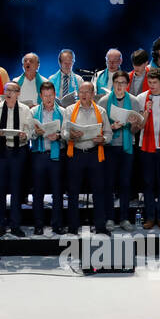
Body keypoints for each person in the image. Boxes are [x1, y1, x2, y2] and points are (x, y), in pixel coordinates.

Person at [0, 81, 31, 237]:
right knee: (0, 189)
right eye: (6, 90)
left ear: (18, 93)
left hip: (18, 150)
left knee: (17, 189)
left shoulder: (24, 109)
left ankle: (15, 225)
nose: (9, 93)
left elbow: (29, 131)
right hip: (0, 151)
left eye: (12, 90)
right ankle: (1, 225)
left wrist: (26, 135)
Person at [62, 82, 109, 234]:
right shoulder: (70, 110)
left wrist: (104, 139)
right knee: (73, 191)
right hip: (76, 154)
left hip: (95, 154)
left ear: (93, 93)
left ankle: (100, 226)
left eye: (86, 91)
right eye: (81, 92)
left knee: (98, 191)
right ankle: (73, 226)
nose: (83, 95)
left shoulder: (100, 111)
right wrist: (70, 135)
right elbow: (63, 132)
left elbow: (108, 133)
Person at [98, 71, 141, 228]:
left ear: (127, 85)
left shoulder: (134, 102)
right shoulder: (103, 101)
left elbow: (136, 130)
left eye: (123, 82)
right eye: (117, 82)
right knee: (108, 184)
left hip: (127, 147)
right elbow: (99, 127)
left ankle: (124, 218)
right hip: (110, 147)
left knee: (125, 183)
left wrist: (134, 124)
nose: (120, 85)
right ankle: (109, 217)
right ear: (113, 84)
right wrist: (112, 127)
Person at [137, 68, 160, 229]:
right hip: (146, 146)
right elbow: (140, 125)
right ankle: (150, 217)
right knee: (148, 183)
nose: (151, 85)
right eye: (149, 82)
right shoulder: (141, 98)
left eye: (155, 83)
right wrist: (147, 110)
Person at [28, 81, 63, 234]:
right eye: (45, 96)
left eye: (51, 95)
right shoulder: (33, 112)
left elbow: (68, 133)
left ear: (55, 95)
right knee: (38, 191)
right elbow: (28, 134)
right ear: (41, 96)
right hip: (39, 156)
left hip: (56, 155)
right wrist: (36, 133)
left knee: (57, 191)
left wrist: (59, 136)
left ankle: (57, 224)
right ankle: (38, 224)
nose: (48, 99)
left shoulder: (63, 111)